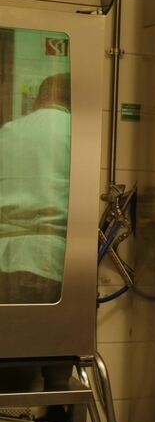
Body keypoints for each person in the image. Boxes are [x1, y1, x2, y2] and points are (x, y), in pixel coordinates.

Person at [0, 72, 72, 305]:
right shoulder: (74, 133)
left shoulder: (7, 131)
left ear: (40, 97)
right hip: (49, 261)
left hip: (4, 258)